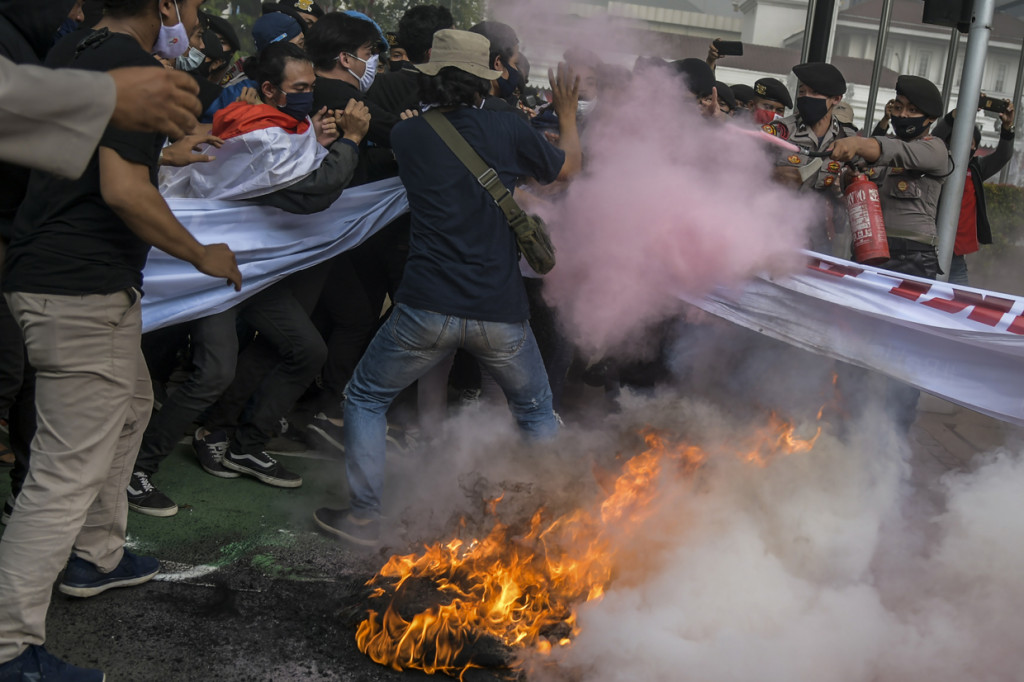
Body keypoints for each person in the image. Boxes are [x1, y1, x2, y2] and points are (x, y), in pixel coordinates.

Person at [0, 0, 242, 679]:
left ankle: (97, 554)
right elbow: (123, 189)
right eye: (192, 5)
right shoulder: (134, 70)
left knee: (134, 402)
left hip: (48, 275)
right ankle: (9, 647)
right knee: (63, 470)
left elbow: (83, 156)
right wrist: (204, 255)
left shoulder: (75, 54)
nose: (194, 20)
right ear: (165, 5)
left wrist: (164, 149)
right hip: (82, 291)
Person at [313, 29, 583, 546]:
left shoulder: (408, 136)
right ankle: (558, 522)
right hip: (501, 311)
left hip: (425, 306)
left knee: (367, 398)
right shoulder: (509, 130)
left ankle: (366, 517)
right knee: (534, 411)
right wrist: (566, 113)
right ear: (488, 78)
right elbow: (568, 169)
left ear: (430, 77)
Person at [829, 74, 950, 432]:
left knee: (904, 357)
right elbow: (856, 186)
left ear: (928, 119)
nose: (905, 115)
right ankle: (845, 426)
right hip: (869, 254)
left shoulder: (934, 149)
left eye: (914, 111)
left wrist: (859, 143)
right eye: (901, 107)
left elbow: (892, 150)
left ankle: (894, 435)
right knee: (853, 346)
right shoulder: (882, 149)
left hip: (914, 261)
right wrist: (849, 176)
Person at [762, 62, 851, 253]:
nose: (806, 98)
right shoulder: (778, 132)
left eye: (814, 93)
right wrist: (770, 175)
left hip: (820, 238)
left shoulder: (847, 140)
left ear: (835, 99)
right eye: (802, 92)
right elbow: (740, 170)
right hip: (773, 231)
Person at [932, 101, 1015, 285]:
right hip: (928, 249)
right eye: (957, 138)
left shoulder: (977, 168)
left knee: (958, 306)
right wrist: (956, 115)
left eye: (969, 140)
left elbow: (1002, 156)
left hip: (957, 256)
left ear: (974, 146)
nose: (962, 144)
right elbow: (934, 137)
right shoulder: (935, 163)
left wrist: (1008, 128)